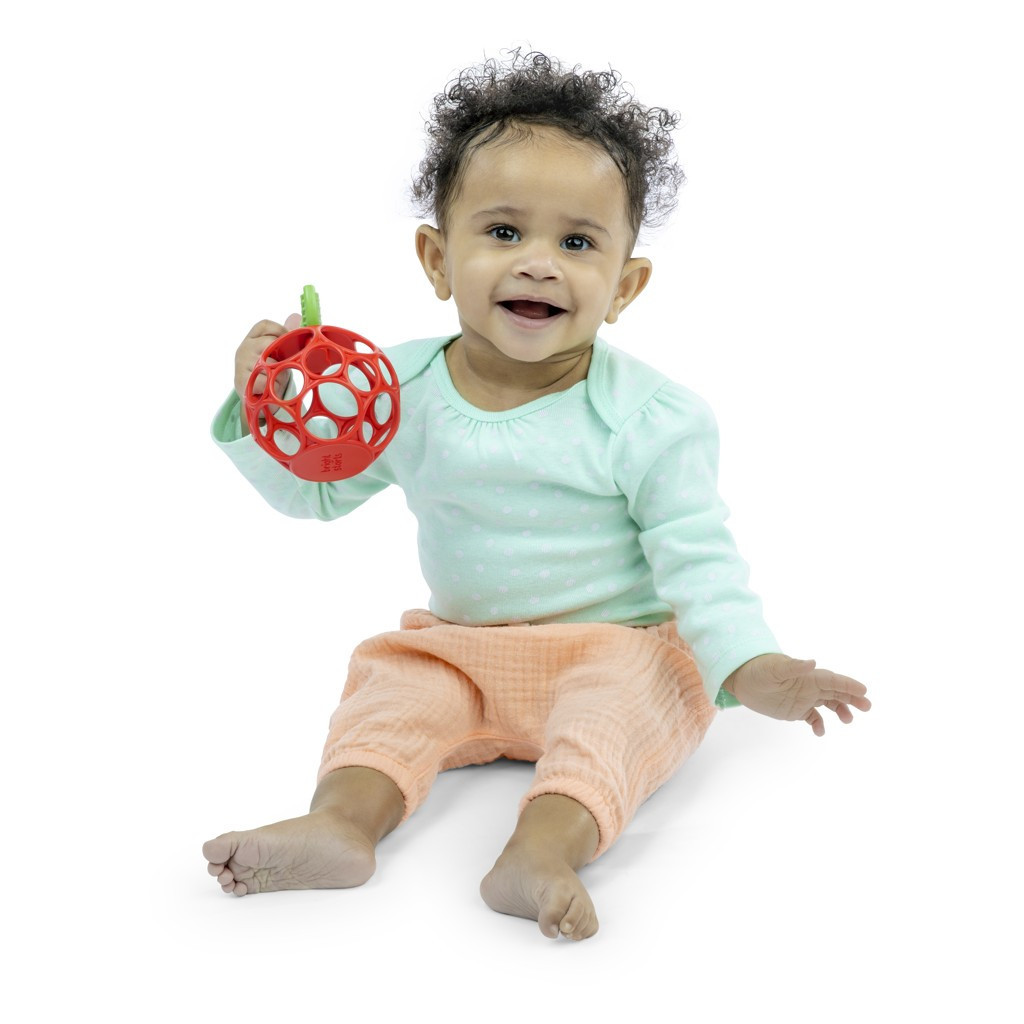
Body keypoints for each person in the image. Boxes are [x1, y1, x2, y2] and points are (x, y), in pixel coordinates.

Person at [203, 50, 870, 941]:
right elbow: (316, 497)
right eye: (504, 232)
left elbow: (699, 561)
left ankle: (541, 850)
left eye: (578, 243)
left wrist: (753, 665)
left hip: (614, 646)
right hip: (462, 649)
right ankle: (342, 823)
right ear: (438, 259)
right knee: (393, 689)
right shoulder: (395, 390)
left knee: (623, 709)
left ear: (625, 286)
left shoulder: (649, 418)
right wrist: (268, 410)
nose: (539, 265)